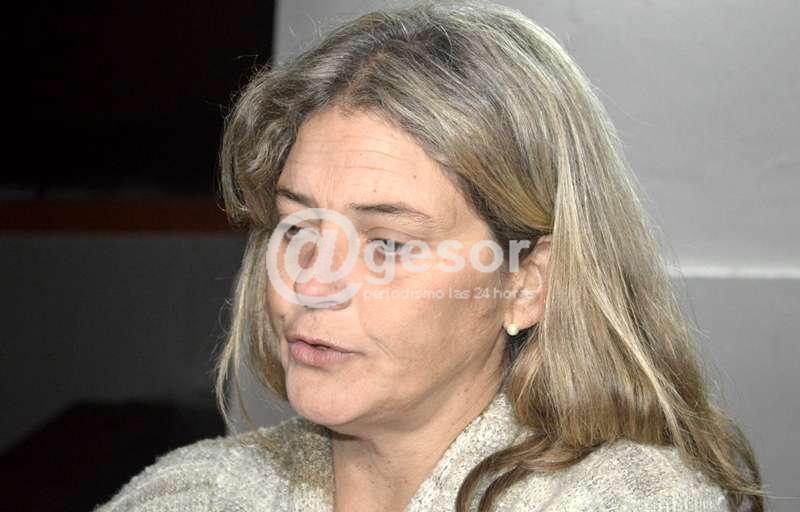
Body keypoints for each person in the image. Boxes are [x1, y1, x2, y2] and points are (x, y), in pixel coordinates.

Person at [93, 1, 766, 511]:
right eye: (297, 229)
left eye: (387, 245)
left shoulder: (629, 500)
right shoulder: (196, 493)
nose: (312, 284)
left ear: (527, 284)